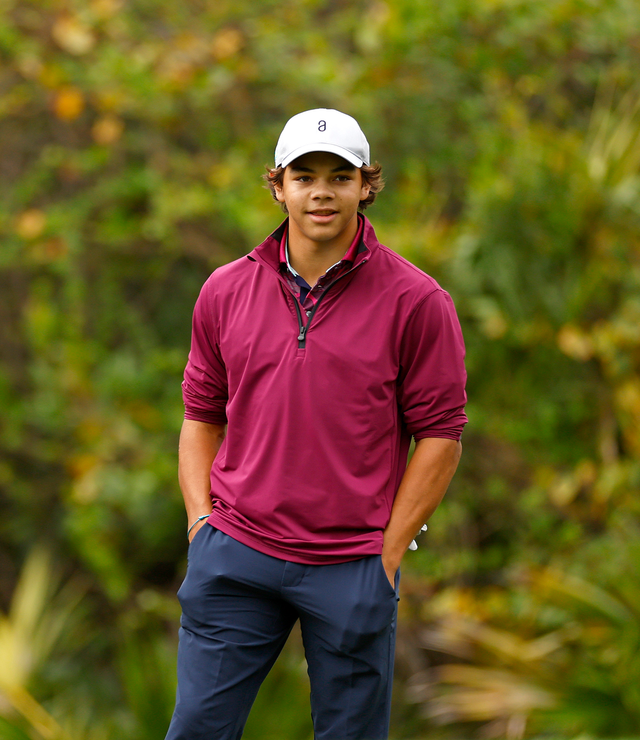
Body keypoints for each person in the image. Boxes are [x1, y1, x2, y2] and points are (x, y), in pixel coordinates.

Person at [166, 109, 466, 740]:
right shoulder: (224, 290)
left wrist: (385, 555)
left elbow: (440, 436)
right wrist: (201, 524)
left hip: (351, 565)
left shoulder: (417, 301)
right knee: (196, 730)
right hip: (236, 555)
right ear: (279, 187)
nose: (322, 191)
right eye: (305, 176)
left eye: (340, 176)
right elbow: (201, 417)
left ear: (366, 186)